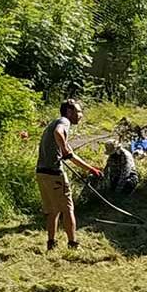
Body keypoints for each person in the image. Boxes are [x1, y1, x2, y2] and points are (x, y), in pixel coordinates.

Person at [35, 99, 102, 251]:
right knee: (68, 209)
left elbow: (71, 155)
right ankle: (73, 244)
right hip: (54, 174)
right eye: (78, 111)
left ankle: (51, 243)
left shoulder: (56, 124)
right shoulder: (63, 121)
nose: (81, 115)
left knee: (53, 210)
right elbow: (58, 133)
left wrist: (91, 169)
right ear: (69, 112)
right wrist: (64, 149)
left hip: (41, 173)